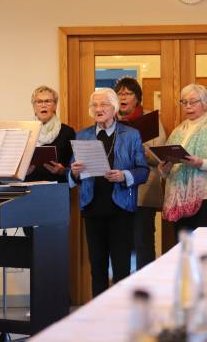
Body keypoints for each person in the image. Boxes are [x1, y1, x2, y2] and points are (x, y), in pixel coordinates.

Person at [68, 88, 148, 297]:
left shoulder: (130, 135)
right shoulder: (82, 135)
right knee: (97, 267)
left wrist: (124, 176)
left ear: (114, 109)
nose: (98, 109)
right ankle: (97, 314)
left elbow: (143, 171)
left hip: (120, 208)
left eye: (103, 104)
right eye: (94, 105)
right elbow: (72, 172)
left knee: (122, 267)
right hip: (92, 207)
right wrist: (74, 172)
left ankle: (122, 313)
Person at [158, 84, 207, 234]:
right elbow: (170, 167)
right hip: (180, 200)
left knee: (204, 251)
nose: (188, 106)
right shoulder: (178, 130)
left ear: (205, 103)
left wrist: (201, 163)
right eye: (184, 102)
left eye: (193, 102)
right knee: (184, 251)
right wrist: (164, 169)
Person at [113, 77, 166, 270]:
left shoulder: (151, 120)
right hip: (118, 192)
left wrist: (141, 151)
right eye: (119, 93)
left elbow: (161, 155)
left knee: (142, 243)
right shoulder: (112, 122)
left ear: (138, 98)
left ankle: (146, 288)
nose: (123, 97)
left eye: (128, 93)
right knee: (120, 244)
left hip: (143, 191)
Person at [25, 85, 75, 183]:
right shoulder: (25, 132)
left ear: (55, 106)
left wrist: (62, 171)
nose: (43, 105)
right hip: (29, 187)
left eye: (48, 101)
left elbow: (75, 169)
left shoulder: (68, 132)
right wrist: (23, 171)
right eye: (39, 101)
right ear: (34, 107)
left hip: (58, 188)